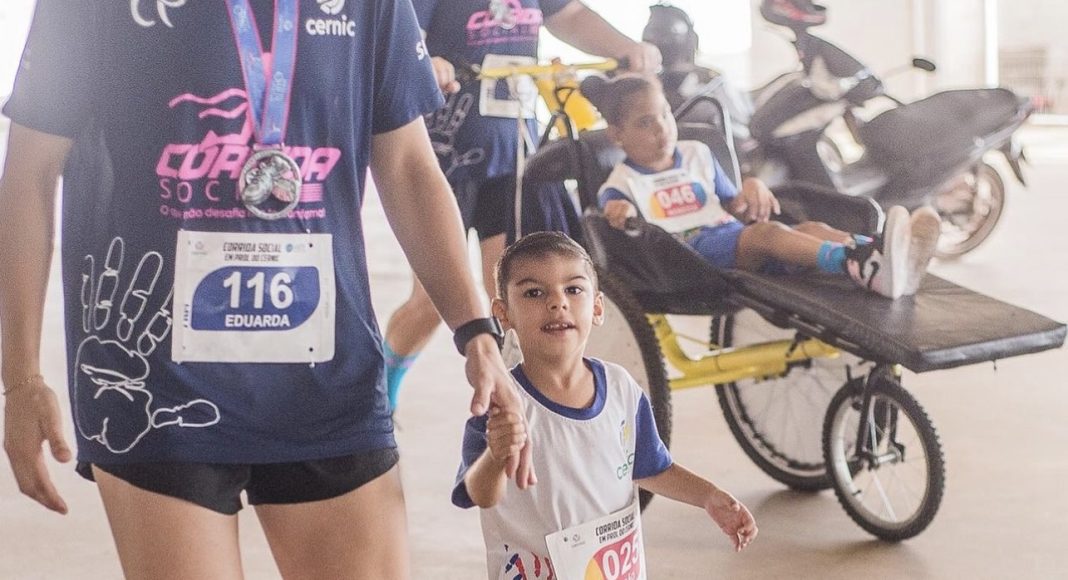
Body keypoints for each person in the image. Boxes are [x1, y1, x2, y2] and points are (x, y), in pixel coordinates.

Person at [0, 1, 532, 578]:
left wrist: (476, 332)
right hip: (154, 374)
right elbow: (29, 173)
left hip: (326, 372)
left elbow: (407, 165)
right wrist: (21, 378)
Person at [383, 0, 664, 412]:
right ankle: (380, 391)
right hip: (442, 164)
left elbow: (569, 16)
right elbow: (401, 41)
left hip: (513, 159)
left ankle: (520, 407)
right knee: (431, 302)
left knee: (513, 295)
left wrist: (625, 47)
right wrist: (427, 62)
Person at [453, 231, 757, 578]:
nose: (557, 302)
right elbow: (481, 494)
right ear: (503, 314)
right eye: (534, 292)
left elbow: (651, 468)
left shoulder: (621, 388)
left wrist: (708, 497)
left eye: (573, 289)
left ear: (597, 308)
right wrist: (496, 455)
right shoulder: (502, 405)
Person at [584, 74, 941, 299]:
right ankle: (858, 264)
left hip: (732, 236)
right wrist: (621, 211)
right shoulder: (622, 181)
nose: (662, 128)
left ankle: (882, 252)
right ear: (617, 135)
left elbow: (734, 205)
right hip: (690, 256)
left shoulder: (697, 153)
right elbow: (611, 208)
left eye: (664, 114)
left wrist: (752, 186)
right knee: (768, 233)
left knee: (810, 228)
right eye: (645, 123)